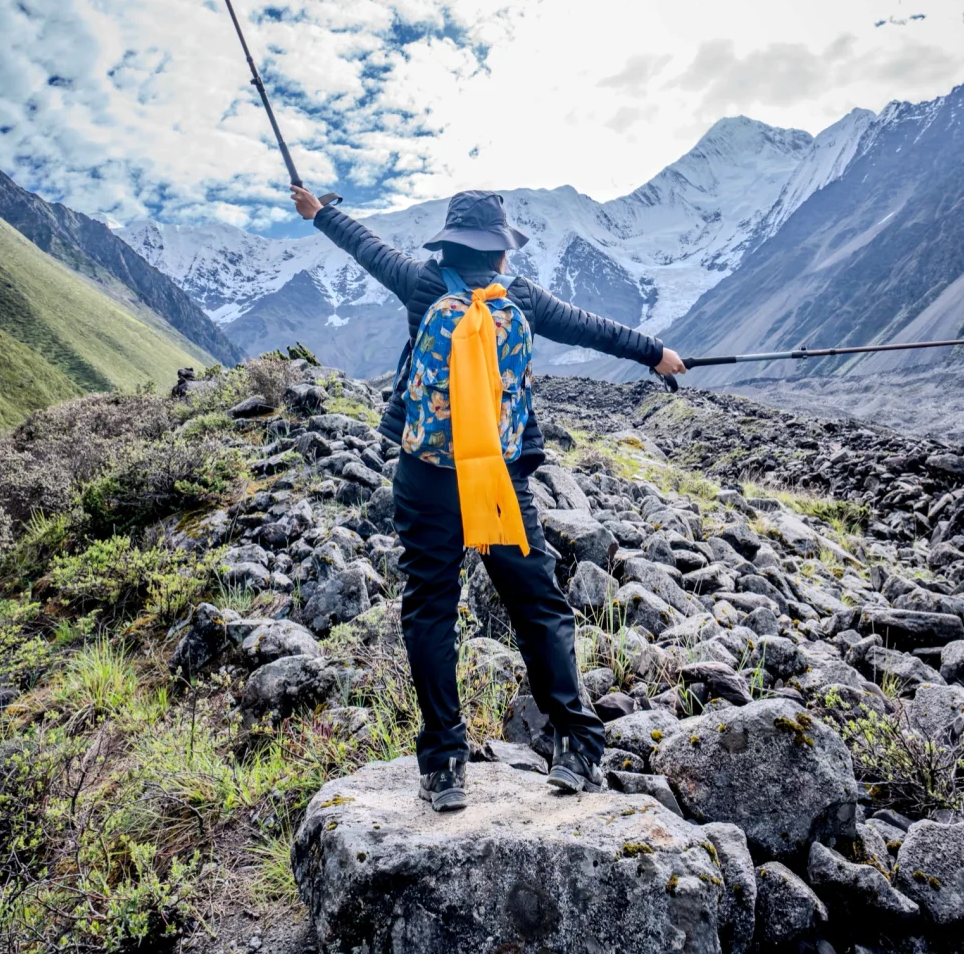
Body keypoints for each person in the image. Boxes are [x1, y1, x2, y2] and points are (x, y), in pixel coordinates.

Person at [291, 184, 686, 811]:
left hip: (425, 473)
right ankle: (578, 748)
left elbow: (364, 247)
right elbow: (593, 329)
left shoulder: (422, 284)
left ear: (447, 243)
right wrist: (655, 355)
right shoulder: (519, 298)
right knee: (536, 604)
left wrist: (321, 213)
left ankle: (444, 765)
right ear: (501, 252)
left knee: (430, 608)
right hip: (499, 476)